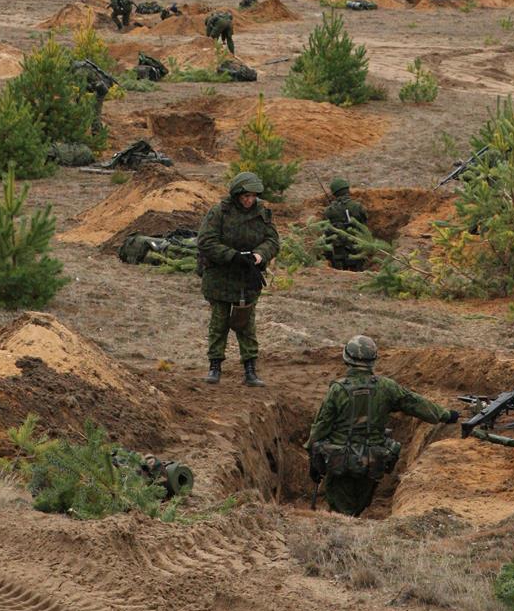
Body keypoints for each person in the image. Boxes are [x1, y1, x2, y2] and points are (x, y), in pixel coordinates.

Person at [306, 336, 459, 516]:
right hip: (373, 463)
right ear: (373, 359)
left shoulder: (338, 390)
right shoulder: (386, 387)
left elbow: (320, 427)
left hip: (341, 464)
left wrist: (314, 462)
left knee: (340, 511)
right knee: (357, 507)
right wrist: (446, 414)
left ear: (347, 358)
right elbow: (414, 403)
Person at [197, 171, 279, 386]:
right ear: (236, 195)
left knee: (246, 323)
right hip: (221, 275)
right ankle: (215, 366)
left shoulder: (262, 212)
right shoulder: (219, 212)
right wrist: (232, 256)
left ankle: (250, 369)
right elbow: (206, 241)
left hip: (248, 276)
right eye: (245, 196)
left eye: (252, 196)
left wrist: (259, 255)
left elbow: (272, 240)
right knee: (219, 322)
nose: (249, 200)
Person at [322, 177, 368, 271]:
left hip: (338, 252)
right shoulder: (357, 206)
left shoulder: (329, 211)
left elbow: (326, 231)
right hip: (356, 249)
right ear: (347, 190)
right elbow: (364, 223)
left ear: (334, 193)